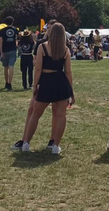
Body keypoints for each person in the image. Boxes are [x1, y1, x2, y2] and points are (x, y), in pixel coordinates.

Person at [12, 22, 74, 154]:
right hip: (60, 82)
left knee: (36, 114)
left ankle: (26, 143)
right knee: (61, 115)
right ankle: (56, 146)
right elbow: (68, 72)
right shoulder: (65, 50)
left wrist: (35, 85)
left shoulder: (42, 47)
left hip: (46, 81)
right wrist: (71, 91)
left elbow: (38, 68)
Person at [0, 16, 19, 91]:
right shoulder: (15, 30)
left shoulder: (2, 30)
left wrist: (1, 51)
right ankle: (10, 83)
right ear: (12, 22)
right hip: (13, 49)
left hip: (5, 50)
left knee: (5, 67)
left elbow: (0, 41)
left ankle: (6, 82)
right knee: (11, 66)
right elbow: (17, 39)